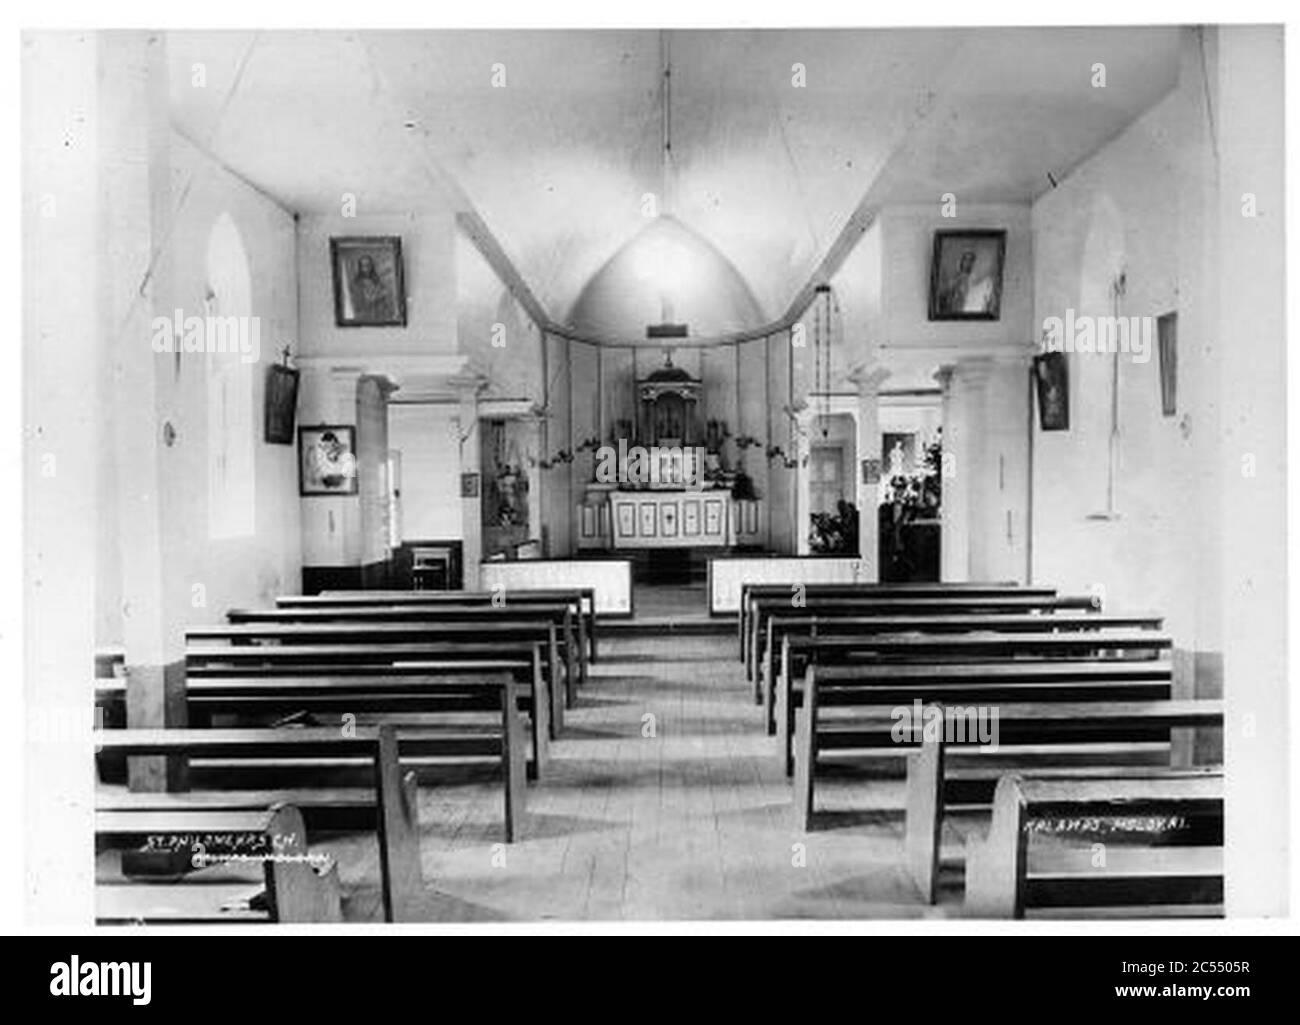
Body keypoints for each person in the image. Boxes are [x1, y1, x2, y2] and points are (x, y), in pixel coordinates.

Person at [940, 249, 995, 315]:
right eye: (965, 259)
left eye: (971, 260)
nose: (968, 263)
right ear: (962, 261)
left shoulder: (981, 280)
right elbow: (948, 297)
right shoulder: (955, 280)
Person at [350, 253, 393, 322]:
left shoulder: (376, 280)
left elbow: (384, 293)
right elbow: (363, 301)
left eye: (369, 265)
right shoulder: (357, 283)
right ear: (360, 267)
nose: (367, 268)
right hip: (366, 316)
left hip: (379, 314)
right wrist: (377, 295)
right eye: (364, 265)